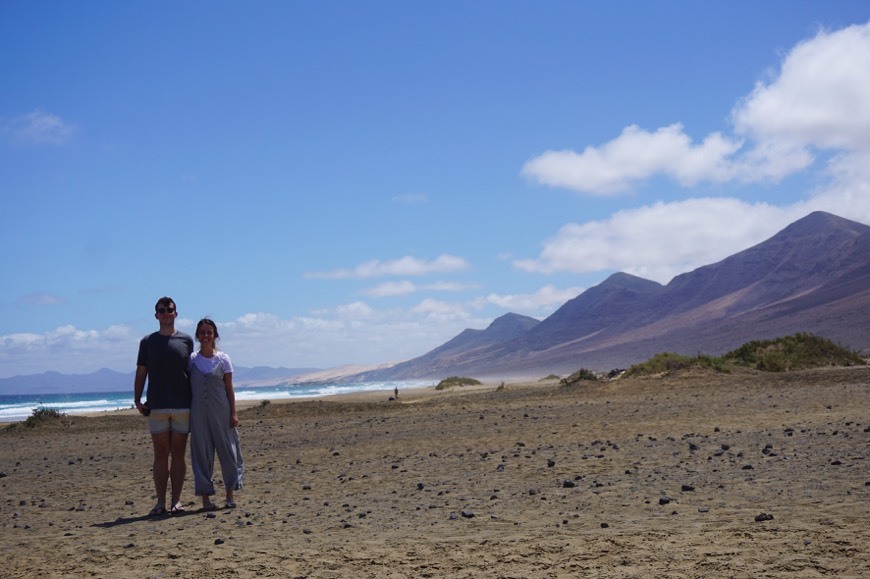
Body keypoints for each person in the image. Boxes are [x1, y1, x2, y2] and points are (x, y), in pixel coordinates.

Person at [134, 296, 194, 516]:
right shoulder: (147, 342)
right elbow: (142, 371)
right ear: (156, 315)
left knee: (178, 454)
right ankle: (160, 503)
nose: (166, 313)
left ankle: (176, 502)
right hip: (157, 407)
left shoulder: (187, 340)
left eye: (169, 309)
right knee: (161, 454)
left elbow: (192, 372)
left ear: (175, 313)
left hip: (182, 406)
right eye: (162, 310)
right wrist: (137, 399)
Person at [189, 318, 244, 511]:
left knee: (228, 450)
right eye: (202, 332)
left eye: (209, 332)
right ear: (197, 335)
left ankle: (229, 494)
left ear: (215, 336)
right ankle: (205, 498)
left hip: (221, 410)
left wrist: (234, 413)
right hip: (198, 413)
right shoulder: (192, 360)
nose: (205, 336)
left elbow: (229, 388)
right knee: (201, 453)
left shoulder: (223, 359)